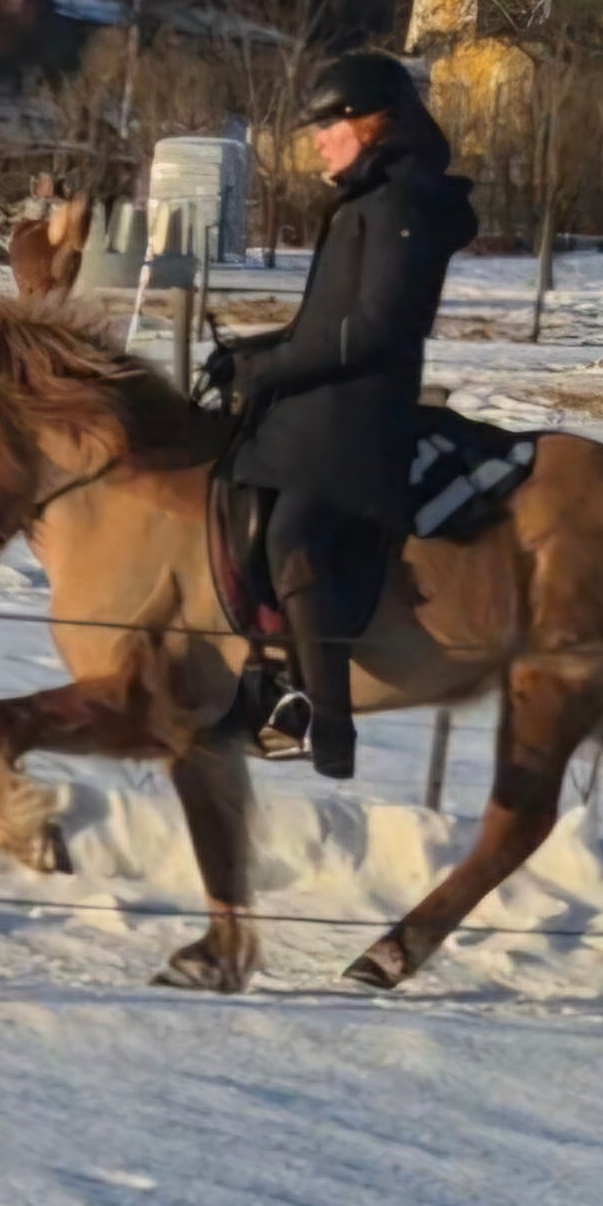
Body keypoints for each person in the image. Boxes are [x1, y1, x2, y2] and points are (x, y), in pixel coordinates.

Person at [205, 52, 477, 779]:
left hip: (362, 418)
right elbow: (325, 323)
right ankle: (263, 680)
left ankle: (325, 722)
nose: (319, 140)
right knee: (233, 486)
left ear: (374, 123)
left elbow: (378, 329)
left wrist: (267, 369)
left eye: (330, 124)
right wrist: (248, 354)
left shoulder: (403, 204)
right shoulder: (368, 199)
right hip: (324, 403)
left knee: (296, 527)